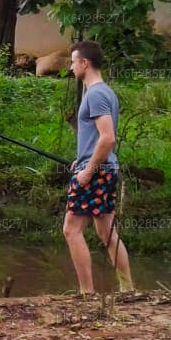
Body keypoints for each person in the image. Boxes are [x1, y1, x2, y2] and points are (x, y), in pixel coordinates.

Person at [64, 40, 133, 294]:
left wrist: (88, 170)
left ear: (85, 63)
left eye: (73, 62)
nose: (71, 67)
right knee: (106, 233)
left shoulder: (95, 94)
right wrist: (82, 158)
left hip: (97, 173)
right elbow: (98, 138)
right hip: (103, 168)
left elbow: (108, 138)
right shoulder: (104, 92)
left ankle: (87, 292)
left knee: (71, 231)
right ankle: (128, 289)